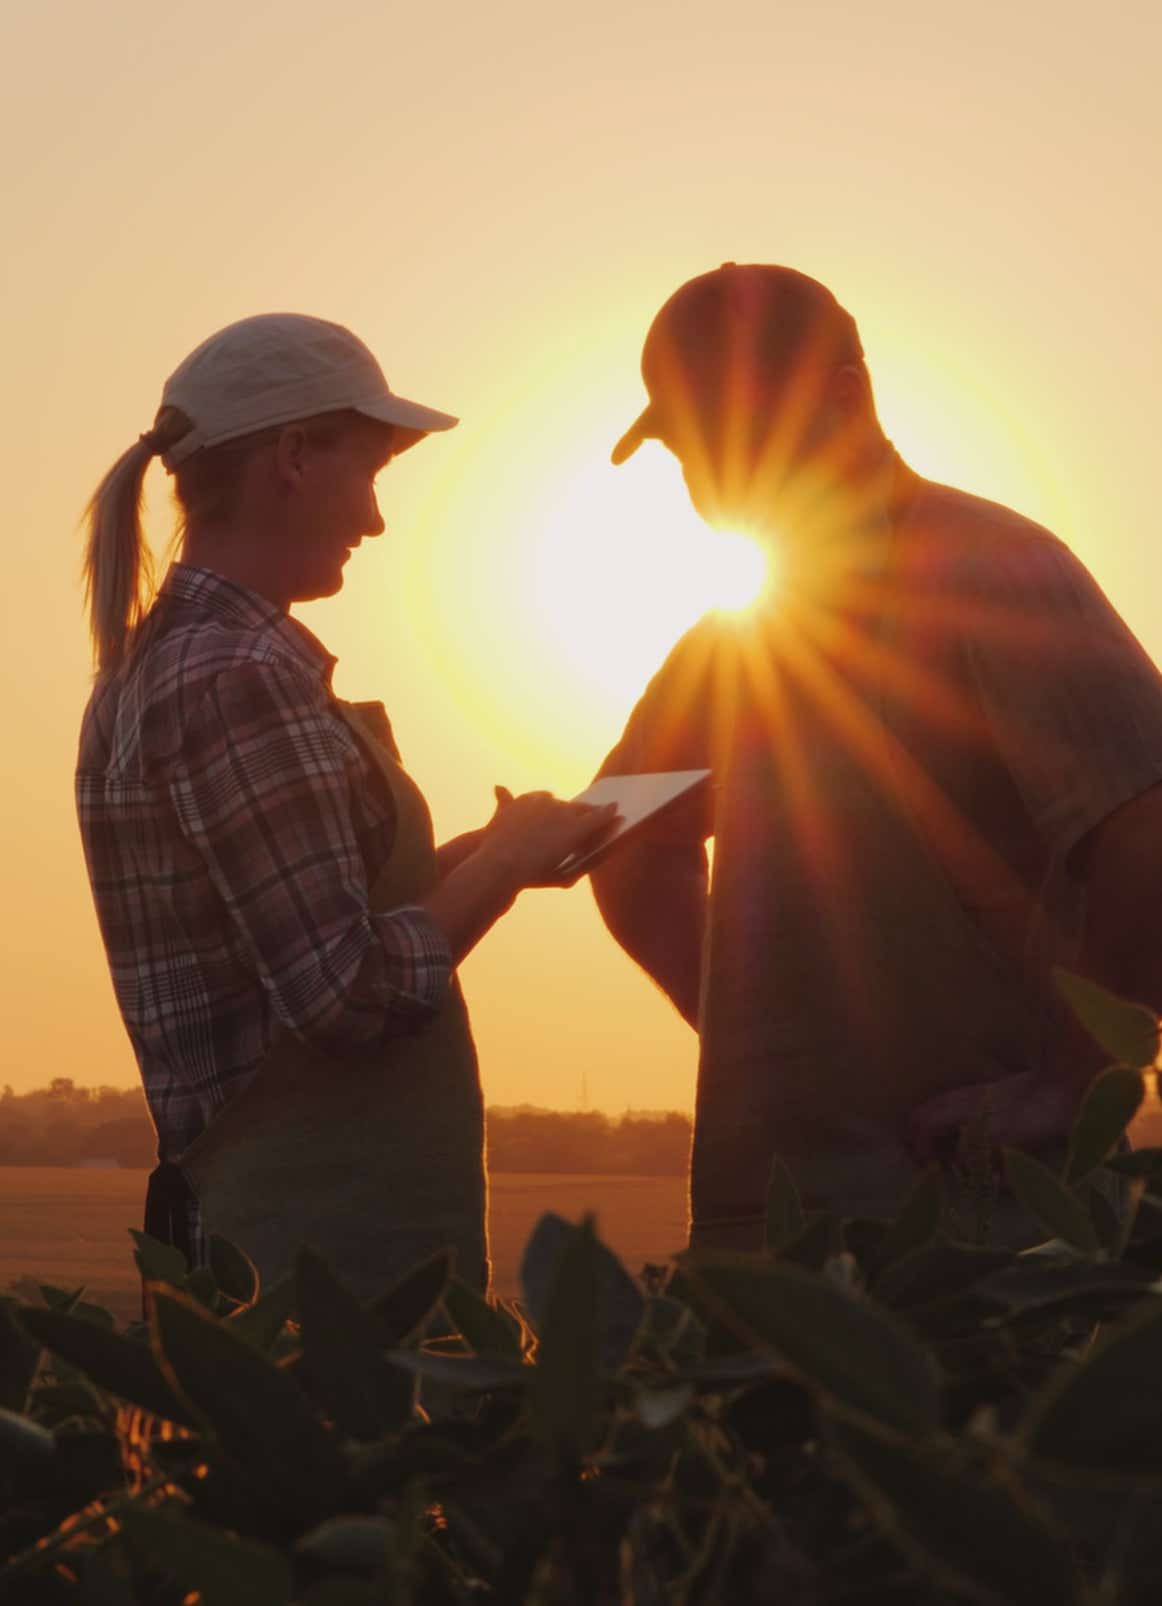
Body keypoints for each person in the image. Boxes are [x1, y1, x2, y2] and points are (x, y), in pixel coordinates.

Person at [590, 263, 1162, 1249]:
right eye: (689, 448)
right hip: (771, 1228)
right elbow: (626, 846)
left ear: (848, 394)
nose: (711, 474)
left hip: (978, 1222)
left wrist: (1073, 1085)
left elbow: (1144, 827)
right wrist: (758, 1053)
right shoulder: (728, 645)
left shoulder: (987, 568)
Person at [77, 312, 615, 1296]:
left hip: (266, 1251)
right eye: (367, 473)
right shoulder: (234, 677)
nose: (374, 519)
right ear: (291, 457)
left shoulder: (165, 666)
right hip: (317, 1278)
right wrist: (500, 869)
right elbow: (344, 993)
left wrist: (487, 852)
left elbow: (292, 931)